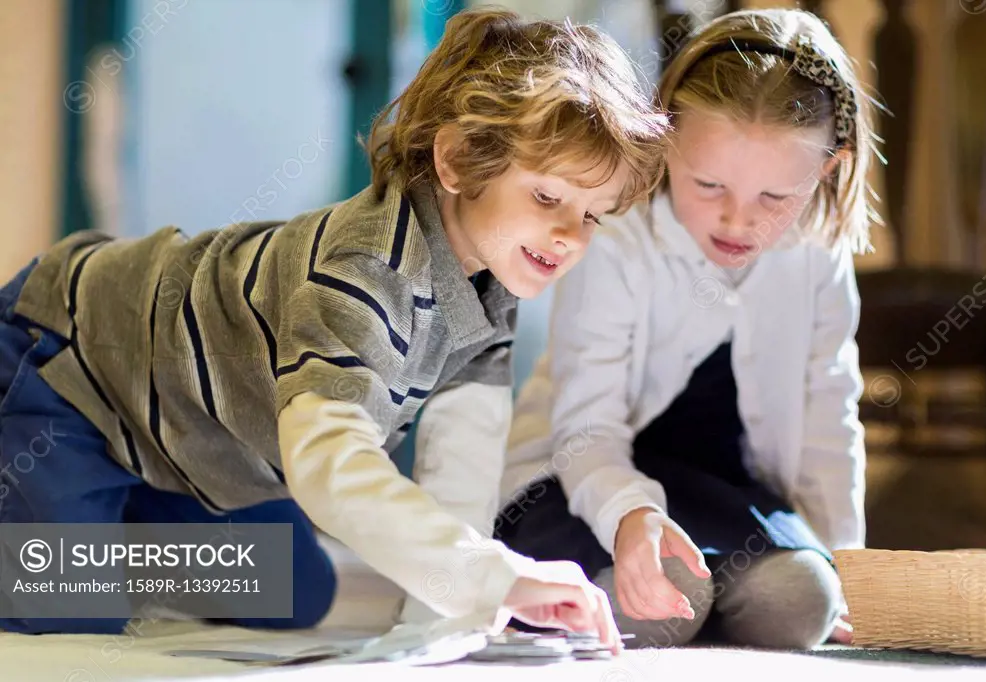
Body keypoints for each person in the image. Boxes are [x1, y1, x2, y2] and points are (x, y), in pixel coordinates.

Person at [0, 8, 669, 649]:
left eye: (592, 214)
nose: (568, 235)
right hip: (66, 363)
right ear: (459, 161)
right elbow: (328, 465)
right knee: (67, 604)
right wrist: (492, 575)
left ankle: (102, 520)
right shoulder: (362, 270)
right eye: (548, 197)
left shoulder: (490, 285)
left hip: (189, 447)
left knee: (295, 587)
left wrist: (460, 610)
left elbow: (460, 455)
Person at [496, 7, 880, 650]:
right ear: (666, 138)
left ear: (827, 171)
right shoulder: (617, 237)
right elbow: (588, 431)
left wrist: (852, 571)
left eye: (774, 198)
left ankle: (723, 588)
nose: (737, 221)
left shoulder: (817, 256)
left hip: (725, 488)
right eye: (708, 184)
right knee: (664, 606)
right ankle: (685, 591)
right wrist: (632, 517)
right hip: (583, 476)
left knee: (804, 605)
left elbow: (828, 425)